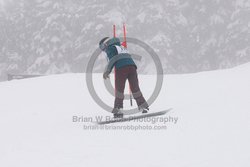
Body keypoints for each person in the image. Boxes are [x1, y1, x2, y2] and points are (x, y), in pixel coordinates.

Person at [99, 37, 149, 118]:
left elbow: (112, 59)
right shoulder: (122, 47)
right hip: (132, 67)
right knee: (135, 88)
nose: (103, 50)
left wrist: (107, 71)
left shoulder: (110, 48)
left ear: (106, 44)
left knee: (119, 90)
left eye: (102, 47)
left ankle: (118, 110)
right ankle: (143, 106)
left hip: (121, 68)